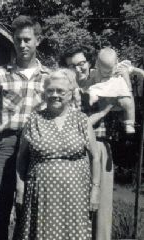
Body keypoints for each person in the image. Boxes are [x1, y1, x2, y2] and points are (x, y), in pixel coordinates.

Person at [14, 68, 100, 239]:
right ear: (44, 93)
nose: (55, 95)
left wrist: (95, 189)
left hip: (76, 195)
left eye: (60, 91)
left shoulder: (81, 120)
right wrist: (20, 187)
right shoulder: (34, 119)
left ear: (70, 94)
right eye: (50, 90)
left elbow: (95, 157)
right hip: (41, 195)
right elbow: (21, 157)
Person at [0, 15, 49, 239]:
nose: (22, 45)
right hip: (6, 144)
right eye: (18, 40)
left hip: (37, 148)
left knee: (31, 209)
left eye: (27, 39)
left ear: (38, 40)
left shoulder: (49, 78)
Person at [59, 45, 122, 240]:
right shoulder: (66, 92)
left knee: (102, 208)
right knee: (75, 205)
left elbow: (124, 101)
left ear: (89, 62)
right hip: (77, 150)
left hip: (101, 147)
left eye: (82, 63)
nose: (80, 68)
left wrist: (124, 76)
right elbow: (78, 124)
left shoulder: (104, 80)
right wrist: (104, 111)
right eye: (73, 66)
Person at [85, 47, 135, 133]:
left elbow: (131, 69)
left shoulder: (120, 67)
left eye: (110, 70)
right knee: (93, 90)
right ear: (98, 65)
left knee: (129, 103)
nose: (107, 73)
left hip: (120, 93)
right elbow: (90, 82)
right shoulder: (96, 72)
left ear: (116, 63)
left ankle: (129, 123)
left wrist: (128, 72)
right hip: (103, 95)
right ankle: (93, 97)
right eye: (105, 71)